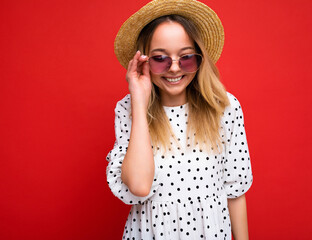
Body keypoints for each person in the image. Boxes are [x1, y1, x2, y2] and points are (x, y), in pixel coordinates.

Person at [106, 0, 253, 239]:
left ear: (199, 59)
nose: (174, 68)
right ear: (144, 61)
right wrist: (139, 101)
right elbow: (140, 186)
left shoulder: (224, 107)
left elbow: (235, 190)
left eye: (186, 57)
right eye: (160, 58)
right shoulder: (128, 109)